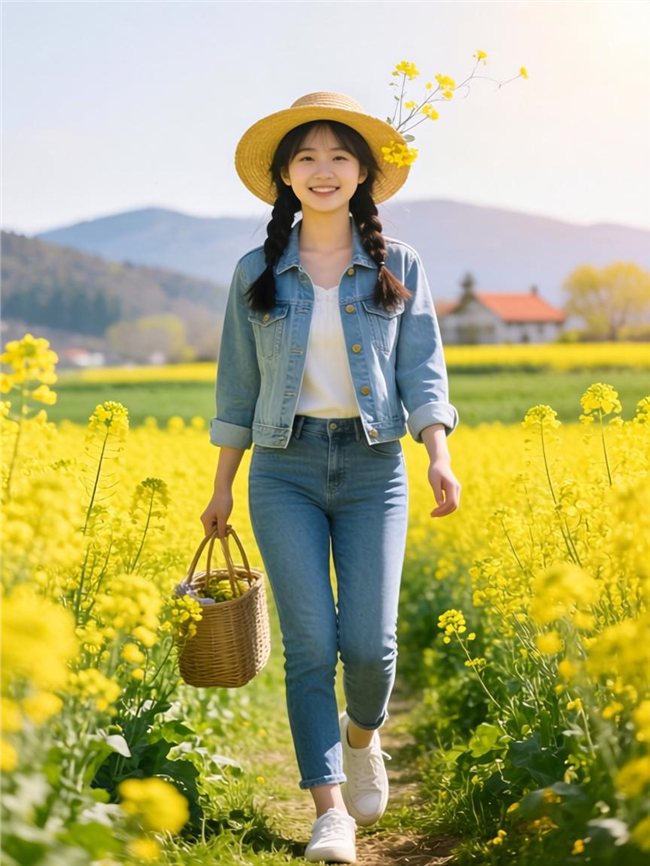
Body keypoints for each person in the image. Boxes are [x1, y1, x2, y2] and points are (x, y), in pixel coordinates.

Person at [201, 92, 461, 864]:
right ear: (284, 175)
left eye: (339, 156)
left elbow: (423, 370)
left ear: (362, 173)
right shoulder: (255, 271)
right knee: (312, 643)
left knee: (371, 647)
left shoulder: (397, 264)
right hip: (283, 470)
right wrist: (222, 486)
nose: (323, 170)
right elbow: (237, 390)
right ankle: (331, 813)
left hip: (376, 466)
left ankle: (362, 734)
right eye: (307, 157)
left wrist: (438, 452)